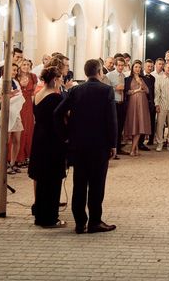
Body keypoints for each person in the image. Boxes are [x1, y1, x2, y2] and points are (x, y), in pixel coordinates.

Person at [54, 59, 117, 234]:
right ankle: (95, 221)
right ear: (99, 72)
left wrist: (65, 135)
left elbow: (58, 112)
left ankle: (80, 222)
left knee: (79, 183)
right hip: (99, 145)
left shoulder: (75, 90)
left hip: (78, 145)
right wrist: (113, 144)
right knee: (97, 184)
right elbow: (111, 120)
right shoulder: (106, 90)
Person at [29, 66, 66, 228]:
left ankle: (40, 215)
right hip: (52, 140)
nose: (62, 81)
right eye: (60, 78)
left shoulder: (37, 95)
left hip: (39, 138)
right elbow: (60, 121)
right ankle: (50, 218)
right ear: (55, 79)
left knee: (42, 178)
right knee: (53, 179)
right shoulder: (55, 98)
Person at [0, 63, 25, 174]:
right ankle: (5, 164)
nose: (15, 72)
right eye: (13, 70)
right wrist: (11, 96)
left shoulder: (16, 82)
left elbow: (20, 95)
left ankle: (13, 163)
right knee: (6, 141)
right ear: (6, 70)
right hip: (5, 113)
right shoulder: (0, 83)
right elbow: (1, 100)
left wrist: (13, 97)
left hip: (16, 113)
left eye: (16, 70)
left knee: (17, 139)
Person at [123, 60, 151, 156]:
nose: (138, 69)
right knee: (134, 124)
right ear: (132, 68)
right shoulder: (128, 79)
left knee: (140, 125)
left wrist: (141, 83)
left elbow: (147, 91)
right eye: (136, 67)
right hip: (132, 103)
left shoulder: (143, 78)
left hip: (142, 103)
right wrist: (136, 90)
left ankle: (133, 149)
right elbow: (126, 92)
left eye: (139, 67)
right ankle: (135, 149)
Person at [16, 59, 37, 166]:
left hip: (28, 103)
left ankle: (27, 156)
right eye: (24, 64)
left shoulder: (33, 76)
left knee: (28, 129)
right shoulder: (16, 76)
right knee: (20, 129)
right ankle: (19, 157)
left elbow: (34, 93)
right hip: (19, 103)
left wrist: (34, 108)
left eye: (28, 64)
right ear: (20, 66)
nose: (26, 66)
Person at [106, 57, 128, 157]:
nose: (120, 67)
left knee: (120, 127)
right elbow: (105, 88)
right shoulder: (109, 75)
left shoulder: (124, 76)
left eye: (122, 65)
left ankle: (118, 148)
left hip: (122, 103)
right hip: (113, 103)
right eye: (118, 65)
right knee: (114, 127)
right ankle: (112, 149)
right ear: (115, 65)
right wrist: (115, 88)